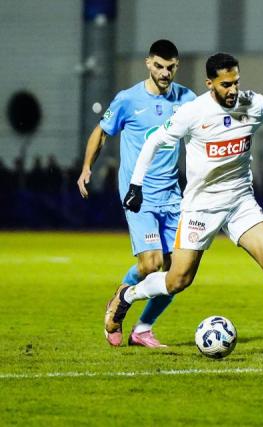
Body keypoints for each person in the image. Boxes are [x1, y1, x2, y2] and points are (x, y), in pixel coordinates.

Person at [104, 53, 263, 359]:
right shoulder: (193, 112)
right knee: (177, 280)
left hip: (240, 202)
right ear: (210, 84)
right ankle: (127, 295)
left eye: (236, 82)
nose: (233, 90)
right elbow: (153, 140)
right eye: (225, 84)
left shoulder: (252, 103)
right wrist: (136, 185)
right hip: (201, 208)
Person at [77, 40, 196, 348]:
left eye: (170, 67)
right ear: (148, 63)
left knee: (179, 273)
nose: (165, 72)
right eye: (159, 65)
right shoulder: (128, 100)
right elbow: (102, 132)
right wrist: (87, 167)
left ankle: (143, 329)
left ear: (177, 66)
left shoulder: (187, 99)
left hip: (173, 196)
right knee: (150, 264)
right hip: (138, 193)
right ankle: (120, 299)